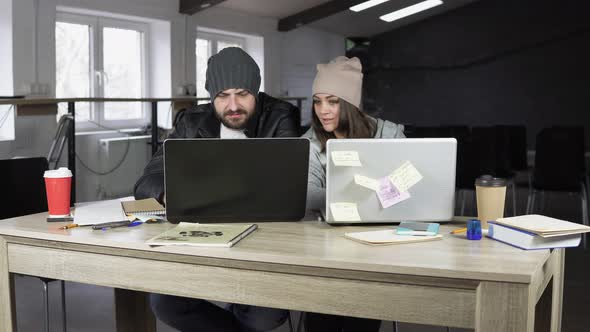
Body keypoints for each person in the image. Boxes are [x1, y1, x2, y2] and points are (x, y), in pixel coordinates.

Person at [134, 47, 299, 332]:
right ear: (211, 97)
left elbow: (284, 183)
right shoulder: (191, 121)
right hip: (203, 240)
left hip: (263, 243)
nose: (233, 105)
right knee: (164, 303)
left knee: (265, 316)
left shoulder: (281, 115)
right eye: (222, 96)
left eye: (242, 94)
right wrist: (167, 194)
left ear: (256, 93)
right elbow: (146, 180)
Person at [302, 56, 405, 332]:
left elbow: (408, 189)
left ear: (351, 103)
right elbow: (308, 196)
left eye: (333, 101)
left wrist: (347, 192)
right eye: (317, 100)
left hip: (379, 249)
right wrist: (367, 189)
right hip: (325, 251)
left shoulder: (389, 134)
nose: (323, 110)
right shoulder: (310, 142)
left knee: (361, 308)